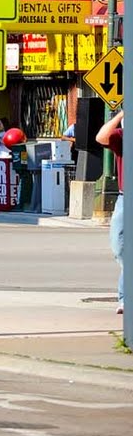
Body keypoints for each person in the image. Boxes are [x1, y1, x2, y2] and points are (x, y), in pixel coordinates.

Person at [96, 110, 124, 315]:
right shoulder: (122, 137)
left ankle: (125, 298)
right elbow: (101, 137)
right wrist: (121, 115)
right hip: (126, 197)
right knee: (120, 246)